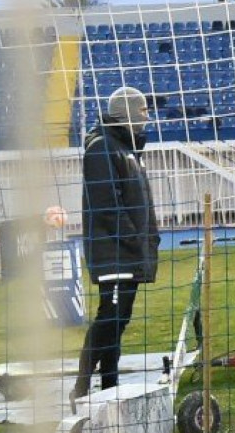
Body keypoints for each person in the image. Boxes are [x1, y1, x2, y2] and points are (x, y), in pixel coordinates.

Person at [71, 86, 159, 404]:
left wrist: (148, 239)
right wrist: (136, 240)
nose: (147, 117)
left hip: (127, 252)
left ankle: (109, 386)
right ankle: (81, 387)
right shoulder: (101, 148)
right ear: (128, 112)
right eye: (143, 110)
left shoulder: (126, 149)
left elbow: (137, 202)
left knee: (118, 319)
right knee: (110, 318)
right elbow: (107, 206)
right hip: (114, 253)